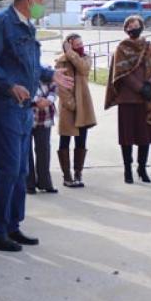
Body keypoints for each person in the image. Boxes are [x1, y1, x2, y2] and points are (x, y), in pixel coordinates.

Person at [0, 0, 73, 252]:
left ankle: (12, 226)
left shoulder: (27, 26)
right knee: (7, 170)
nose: (43, 6)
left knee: (21, 171)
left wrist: (48, 73)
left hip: (23, 108)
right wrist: (9, 85)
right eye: (41, 0)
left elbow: (28, 66)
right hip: (3, 106)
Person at [105, 15, 151, 184]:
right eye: (130, 24)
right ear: (126, 29)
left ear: (141, 26)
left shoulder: (149, 47)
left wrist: (150, 86)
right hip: (128, 98)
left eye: (136, 24)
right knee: (127, 137)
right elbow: (121, 73)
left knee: (145, 136)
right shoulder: (121, 48)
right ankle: (127, 169)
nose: (133, 26)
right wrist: (139, 87)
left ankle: (142, 168)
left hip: (147, 99)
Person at [55, 34, 96, 188]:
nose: (80, 46)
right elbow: (61, 87)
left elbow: (83, 69)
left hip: (83, 106)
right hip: (69, 108)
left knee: (81, 140)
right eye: (76, 44)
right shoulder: (62, 62)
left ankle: (78, 173)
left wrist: (71, 53)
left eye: (81, 42)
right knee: (65, 139)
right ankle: (67, 176)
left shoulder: (84, 58)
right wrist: (71, 104)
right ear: (69, 45)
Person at [27, 77, 58, 194]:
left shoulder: (45, 71)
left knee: (44, 149)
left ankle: (45, 182)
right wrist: (36, 100)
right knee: (26, 152)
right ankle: (29, 184)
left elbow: (54, 87)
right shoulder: (24, 70)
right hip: (28, 117)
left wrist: (49, 100)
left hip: (45, 118)